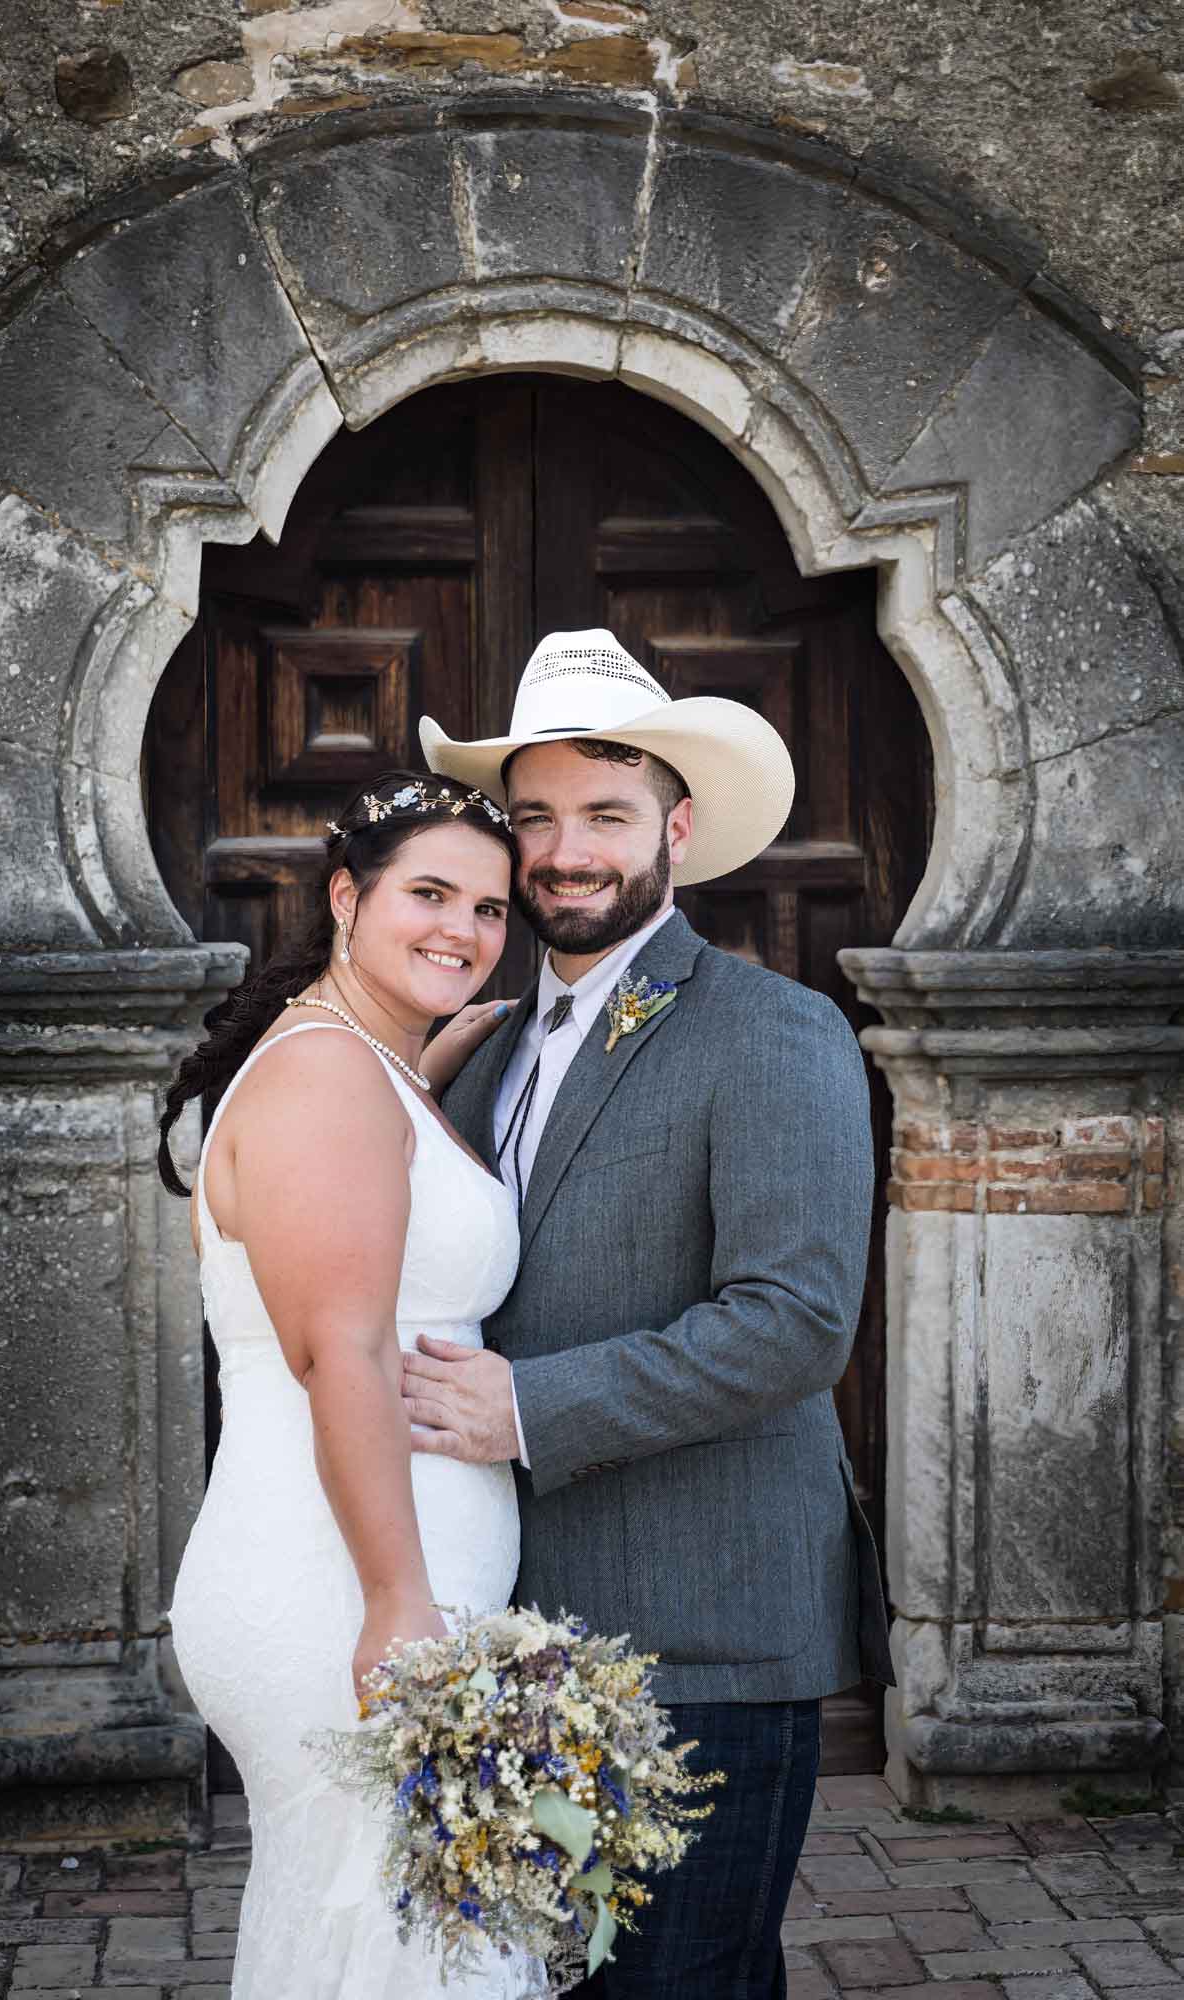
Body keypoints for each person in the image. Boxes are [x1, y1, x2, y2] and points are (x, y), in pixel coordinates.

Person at [403, 630, 894, 2000]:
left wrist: (526, 1407)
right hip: (518, 1631)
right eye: (537, 816)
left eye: (605, 816)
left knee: (683, 1985)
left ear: (676, 828)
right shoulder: (482, 1044)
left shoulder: (770, 1029)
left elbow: (796, 1321)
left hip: (707, 1631)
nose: (565, 851)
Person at [159, 772, 533, 2000]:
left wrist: (422, 1064)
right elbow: (343, 1351)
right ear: (343, 897)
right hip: (342, 1582)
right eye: (428, 893)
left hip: (371, 1570)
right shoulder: (327, 1076)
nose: (463, 931)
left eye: (489, 909)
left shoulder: (369, 1067)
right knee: (410, 1955)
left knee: (369, 1945)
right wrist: (397, 1601)